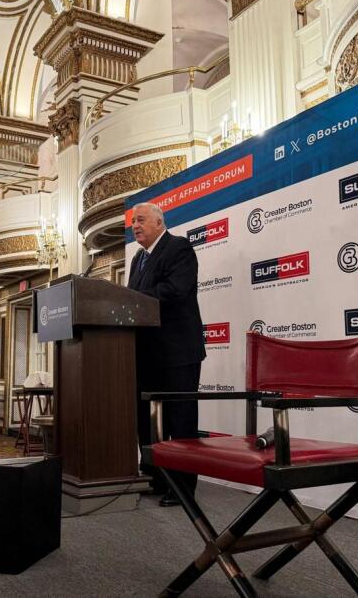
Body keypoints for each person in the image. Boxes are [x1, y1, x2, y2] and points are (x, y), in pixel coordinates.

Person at [127, 202, 206, 507]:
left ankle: (183, 487)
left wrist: (132, 298)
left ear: (159, 223)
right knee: (148, 422)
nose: (135, 225)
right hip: (146, 355)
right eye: (133, 221)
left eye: (141, 220)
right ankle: (154, 477)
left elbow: (175, 290)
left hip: (177, 353)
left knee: (180, 422)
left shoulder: (179, 248)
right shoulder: (137, 259)